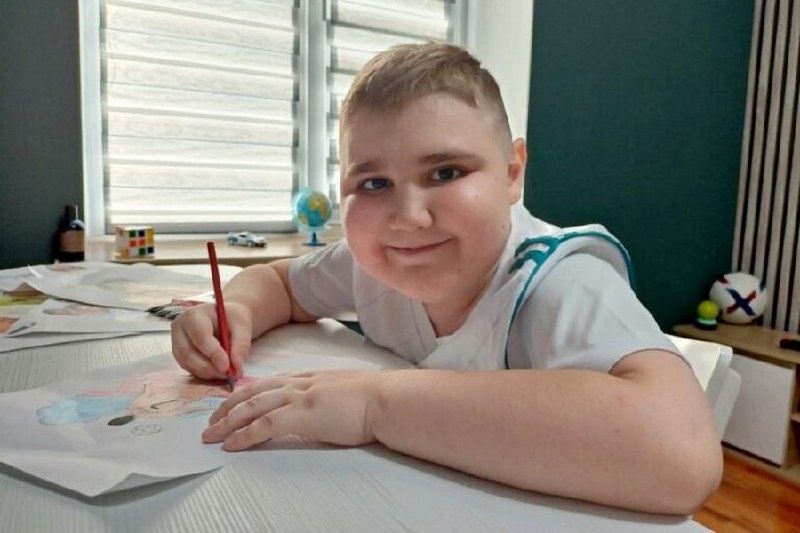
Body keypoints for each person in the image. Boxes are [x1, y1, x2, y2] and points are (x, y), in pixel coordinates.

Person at [171, 43, 722, 514]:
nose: (408, 217)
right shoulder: (373, 262)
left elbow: (683, 455)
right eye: (373, 184)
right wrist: (235, 310)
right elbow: (281, 283)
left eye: (445, 172)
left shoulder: (560, 279)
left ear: (513, 174)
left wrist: (377, 405)